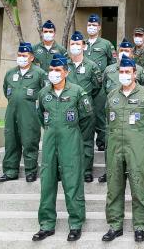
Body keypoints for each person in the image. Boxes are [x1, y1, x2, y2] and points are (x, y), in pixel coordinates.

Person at [33, 55, 93, 242]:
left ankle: (75, 224)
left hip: (71, 142)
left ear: (66, 72)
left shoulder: (77, 92)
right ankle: (46, 224)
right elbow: (41, 118)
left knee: (72, 182)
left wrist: (71, 133)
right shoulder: (43, 94)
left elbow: (86, 118)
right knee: (47, 183)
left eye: (58, 70)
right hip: (50, 142)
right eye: (51, 70)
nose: (54, 73)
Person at [103, 55, 144, 243]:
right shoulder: (112, 96)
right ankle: (115, 225)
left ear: (135, 74)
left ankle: (140, 225)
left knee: (139, 185)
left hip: (138, 146)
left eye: (128, 72)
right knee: (114, 186)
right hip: (115, 145)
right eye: (122, 72)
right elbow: (107, 118)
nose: (124, 75)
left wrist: (138, 136)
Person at [96, 39, 144, 183]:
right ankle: (109, 172)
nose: (123, 53)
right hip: (114, 113)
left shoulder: (139, 70)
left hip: (134, 115)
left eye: (127, 51)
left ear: (132, 53)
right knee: (110, 146)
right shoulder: (109, 70)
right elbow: (103, 89)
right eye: (121, 51)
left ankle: (133, 174)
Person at [0, 42, 47, 183]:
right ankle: (10, 171)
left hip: (30, 114)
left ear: (31, 57)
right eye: (19, 55)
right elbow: (6, 91)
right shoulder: (10, 73)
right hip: (11, 113)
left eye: (24, 55)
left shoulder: (39, 73)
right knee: (11, 141)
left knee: (29, 141)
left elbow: (45, 93)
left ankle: (31, 171)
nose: (21, 58)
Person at [66, 31, 103, 183]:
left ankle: (87, 171)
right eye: (72, 44)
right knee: (67, 141)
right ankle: (68, 170)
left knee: (87, 141)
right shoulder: (64, 65)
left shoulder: (92, 66)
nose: (75, 46)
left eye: (78, 44)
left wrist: (84, 98)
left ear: (84, 46)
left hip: (86, 109)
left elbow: (96, 87)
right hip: (66, 108)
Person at [84, 13, 116, 152]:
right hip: (84, 84)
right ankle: (86, 140)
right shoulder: (82, 44)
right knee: (86, 114)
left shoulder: (106, 44)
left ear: (99, 27)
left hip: (101, 86)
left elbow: (112, 63)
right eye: (89, 25)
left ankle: (102, 141)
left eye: (94, 25)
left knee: (100, 114)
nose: (91, 27)